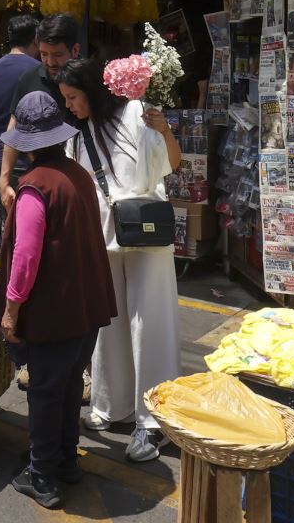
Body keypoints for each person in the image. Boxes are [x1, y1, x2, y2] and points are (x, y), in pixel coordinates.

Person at [0, 92, 118, 509]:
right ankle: (65, 461)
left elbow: (25, 258)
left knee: (46, 391)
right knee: (64, 387)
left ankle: (42, 476)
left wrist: (11, 308)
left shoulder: (35, 188)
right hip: (85, 306)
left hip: (54, 310)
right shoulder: (78, 175)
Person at [57, 58, 182, 463]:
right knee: (108, 321)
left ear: (92, 90)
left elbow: (172, 164)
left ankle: (153, 422)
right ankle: (113, 405)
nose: (70, 105)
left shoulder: (136, 112)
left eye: (74, 97)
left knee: (150, 325)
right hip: (102, 236)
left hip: (145, 234)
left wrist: (164, 131)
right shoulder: (80, 133)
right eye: (67, 99)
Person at [0, 13, 81, 211]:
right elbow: (14, 128)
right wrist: (4, 179)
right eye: (44, 54)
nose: (50, 62)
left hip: (77, 177)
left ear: (75, 50)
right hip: (36, 176)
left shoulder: (87, 79)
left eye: (57, 55)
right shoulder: (29, 79)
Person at [0, 13, 42, 245]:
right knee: (27, 223)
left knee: (10, 218)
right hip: (26, 155)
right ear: (35, 39)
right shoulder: (38, 69)